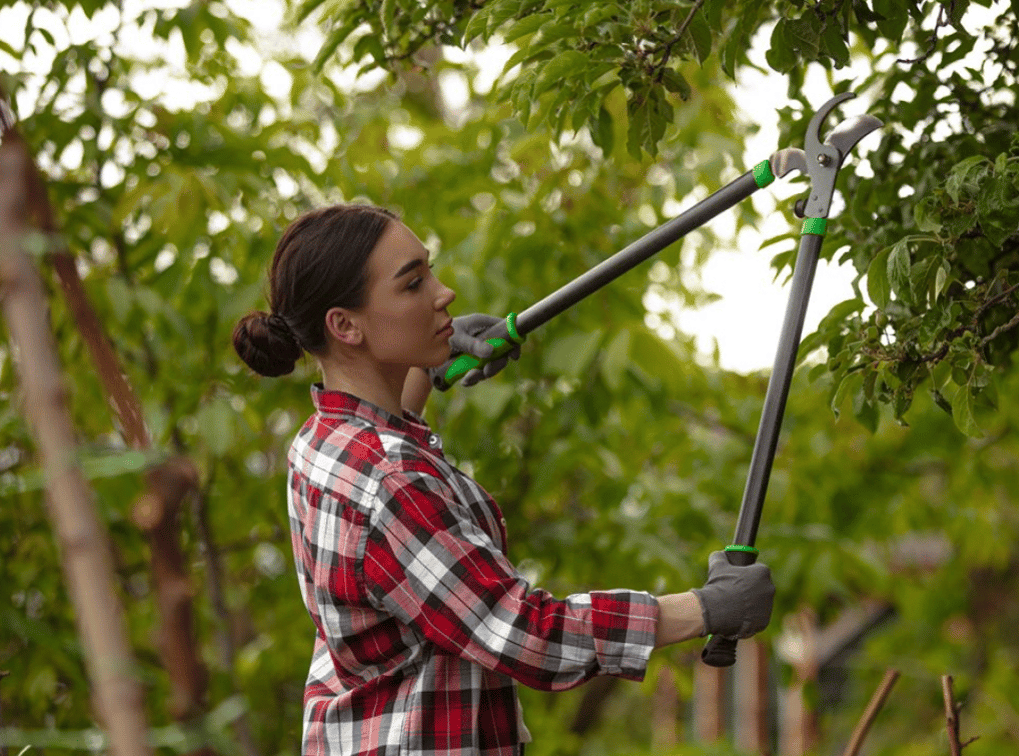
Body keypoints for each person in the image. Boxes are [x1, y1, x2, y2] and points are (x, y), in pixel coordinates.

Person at [231, 203, 775, 755]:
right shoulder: (391, 483)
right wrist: (705, 609)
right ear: (345, 325)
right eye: (414, 284)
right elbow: (526, 633)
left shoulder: (323, 442)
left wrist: (429, 366)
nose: (444, 294)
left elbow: (391, 447)